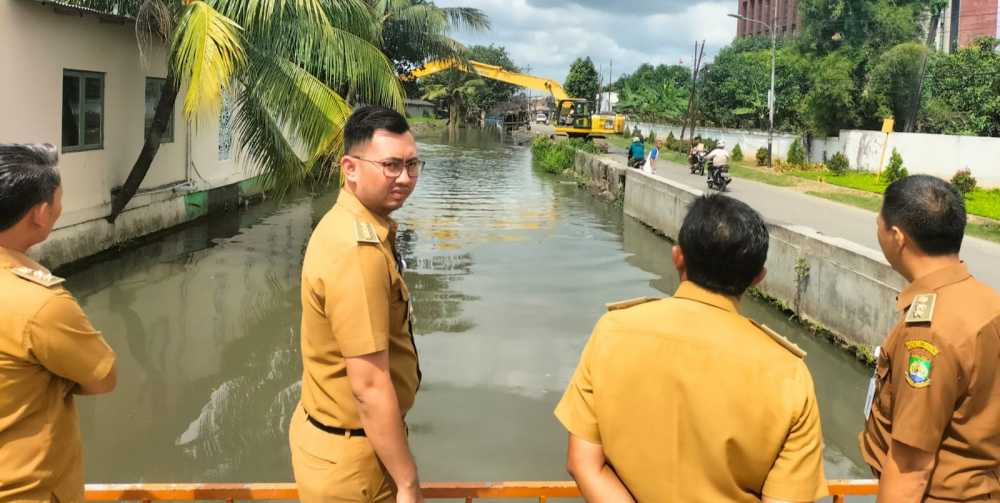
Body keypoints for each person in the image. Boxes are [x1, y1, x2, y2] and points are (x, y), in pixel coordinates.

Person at [555, 194, 827, 503]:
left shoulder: (613, 332)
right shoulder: (788, 374)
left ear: (677, 257)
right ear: (757, 278)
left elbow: (584, 463)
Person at [290, 107, 424, 503]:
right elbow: (368, 385)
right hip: (354, 464)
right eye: (390, 165)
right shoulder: (356, 248)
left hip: (337, 442)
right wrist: (407, 481)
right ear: (350, 168)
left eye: (413, 164)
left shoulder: (347, 225)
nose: (404, 178)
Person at [861, 175, 1000, 502]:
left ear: (897, 236)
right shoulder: (987, 301)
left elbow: (911, 466)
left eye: (879, 222)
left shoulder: (928, 334)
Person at [0, 143, 117, 502]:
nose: (61, 209)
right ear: (39, 212)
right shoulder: (40, 303)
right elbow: (102, 379)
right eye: (59, 200)